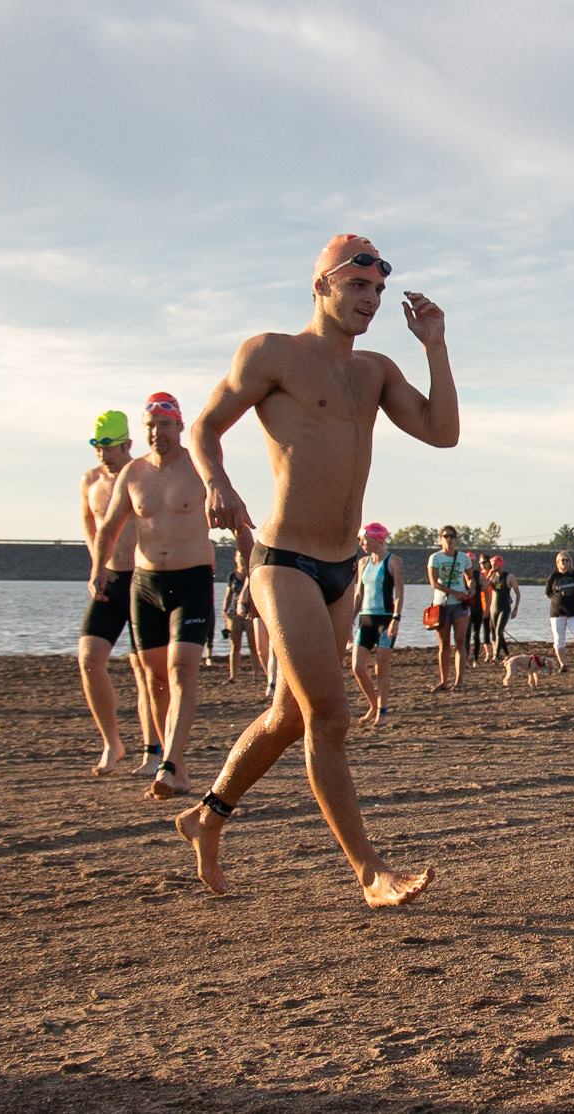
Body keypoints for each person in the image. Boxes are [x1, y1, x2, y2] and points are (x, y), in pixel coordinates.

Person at [175, 233, 453, 908]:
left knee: (287, 718)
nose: (372, 300)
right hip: (283, 560)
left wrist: (435, 346)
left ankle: (205, 816)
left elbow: (442, 432)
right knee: (329, 715)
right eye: (358, 286)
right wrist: (217, 484)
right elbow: (204, 428)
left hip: (342, 568)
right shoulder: (271, 353)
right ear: (322, 286)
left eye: (380, 291)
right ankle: (370, 874)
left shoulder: (375, 373)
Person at [91, 393, 224, 800]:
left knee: (182, 667)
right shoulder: (133, 474)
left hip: (192, 579)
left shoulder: (199, 467)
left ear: (179, 427)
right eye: (150, 426)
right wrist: (98, 569)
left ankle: (170, 762)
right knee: (154, 678)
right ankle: (174, 762)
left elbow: (229, 505)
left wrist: (248, 563)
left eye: (164, 425)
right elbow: (109, 526)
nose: (157, 432)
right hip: (145, 583)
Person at [79, 410, 162, 778]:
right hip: (110, 578)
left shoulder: (143, 473)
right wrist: (96, 564)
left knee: (145, 670)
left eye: (110, 447)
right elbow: (89, 521)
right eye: (98, 447)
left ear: (128, 443)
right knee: (89, 657)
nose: (103, 455)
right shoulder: (91, 480)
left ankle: (153, 750)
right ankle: (112, 742)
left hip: (143, 577)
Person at [350, 521, 403, 726]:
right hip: (366, 619)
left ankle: (382, 710)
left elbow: (399, 593)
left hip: (385, 620)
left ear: (375, 538)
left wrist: (396, 619)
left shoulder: (393, 562)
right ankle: (373, 704)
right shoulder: (363, 563)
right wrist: (349, 621)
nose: (361, 542)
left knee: (381, 667)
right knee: (357, 667)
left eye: (363, 538)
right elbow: (358, 595)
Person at [426, 526, 473, 692]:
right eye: (446, 536)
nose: (449, 539)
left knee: (460, 642)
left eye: (452, 536)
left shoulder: (463, 558)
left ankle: (459, 681)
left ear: (456, 539)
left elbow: (469, 577)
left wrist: (470, 588)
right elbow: (434, 583)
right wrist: (454, 592)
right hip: (442, 604)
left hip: (460, 605)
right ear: (440, 539)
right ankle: (443, 681)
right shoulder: (435, 558)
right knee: (443, 644)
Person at [223, 549, 251, 683]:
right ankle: (233, 676)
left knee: (254, 646)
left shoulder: (251, 574)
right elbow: (228, 595)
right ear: (235, 558)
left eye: (242, 556)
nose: (241, 559)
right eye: (239, 556)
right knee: (235, 646)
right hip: (234, 614)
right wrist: (224, 611)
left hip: (249, 614)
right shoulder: (232, 576)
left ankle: (257, 676)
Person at [486, 555, 519, 662]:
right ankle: (507, 654)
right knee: (496, 632)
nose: (493, 566)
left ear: (500, 564)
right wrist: (488, 575)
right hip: (493, 608)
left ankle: (496, 655)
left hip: (504, 608)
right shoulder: (491, 575)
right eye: (491, 564)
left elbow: (517, 593)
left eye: (495, 564)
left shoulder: (509, 576)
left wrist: (515, 608)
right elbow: (484, 587)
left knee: (499, 630)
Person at [464, 552, 488, 665]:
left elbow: (487, 592)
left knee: (476, 634)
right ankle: (466, 659)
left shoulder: (479, 575)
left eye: (472, 562)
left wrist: (486, 609)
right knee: (466, 634)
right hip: (465, 608)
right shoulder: (460, 574)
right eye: (468, 561)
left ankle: (475, 659)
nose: (470, 564)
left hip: (477, 608)